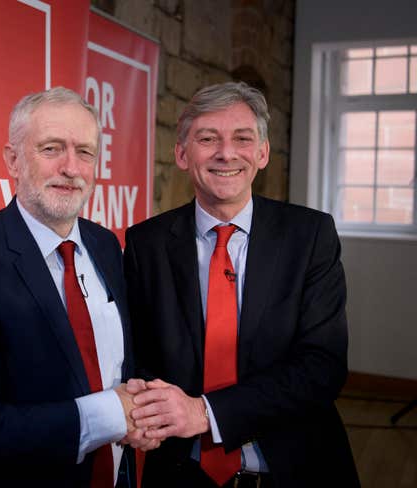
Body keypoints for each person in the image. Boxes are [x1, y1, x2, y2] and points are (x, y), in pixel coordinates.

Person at [123, 82, 360, 487]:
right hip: (183, 475)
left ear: (263, 153)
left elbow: (322, 367)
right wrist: (144, 405)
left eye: (242, 139)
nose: (226, 153)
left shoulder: (310, 236)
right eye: (207, 138)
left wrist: (205, 412)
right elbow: (137, 355)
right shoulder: (146, 243)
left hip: (295, 471)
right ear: (182, 154)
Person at [0, 87, 155, 488]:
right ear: (13, 160)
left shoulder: (106, 244)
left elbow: (116, 367)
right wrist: (115, 414)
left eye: (85, 152)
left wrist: (144, 409)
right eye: (51, 149)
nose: (71, 167)